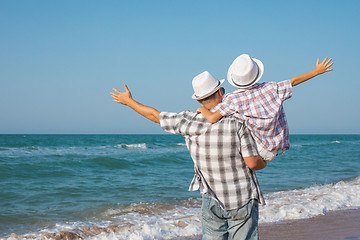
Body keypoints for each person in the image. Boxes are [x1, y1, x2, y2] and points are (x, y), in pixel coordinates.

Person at [110, 71, 267, 240]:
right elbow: (252, 163)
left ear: (199, 100)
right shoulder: (237, 122)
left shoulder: (188, 121)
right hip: (242, 198)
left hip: (212, 199)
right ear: (221, 92)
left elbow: (154, 115)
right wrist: (264, 161)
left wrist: (129, 101)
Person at [197, 54, 334, 161]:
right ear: (256, 74)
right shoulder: (271, 88)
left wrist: (202, 109)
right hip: (273, 148)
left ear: (235, 79)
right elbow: (293, 81)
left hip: (256, 149)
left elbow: (213, 118)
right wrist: (316, 71)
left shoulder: (232, 99)